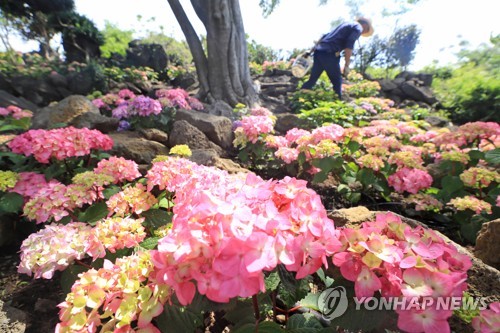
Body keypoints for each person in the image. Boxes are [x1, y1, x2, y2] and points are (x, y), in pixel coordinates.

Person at [301, 17, 374, 99]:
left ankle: (299, 97)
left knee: (312, 80)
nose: (362, 33)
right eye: (366, 30)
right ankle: (338, 103)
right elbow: (349, 46)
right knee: (337, 82)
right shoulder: (358, 27)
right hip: (329, 54)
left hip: (319, 52)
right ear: (365, 25)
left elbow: (324, 36)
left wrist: (310, 51)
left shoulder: (345, 24)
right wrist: (346, 65)